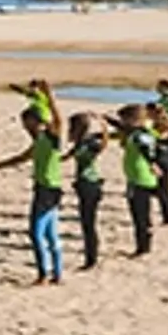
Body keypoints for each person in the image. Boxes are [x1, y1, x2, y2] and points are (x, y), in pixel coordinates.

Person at [0, 93, 66, 285]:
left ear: (38, 122)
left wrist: (49, 95)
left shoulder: (51, 138)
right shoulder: (38, 142)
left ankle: (44, 274)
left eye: (28, 124)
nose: (26, 128)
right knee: (51, 234)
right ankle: (57, 273)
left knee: (36, 233)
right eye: (24, 124)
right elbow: (20, 158)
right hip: (47, 190)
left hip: (47, 191)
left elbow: (59, 121)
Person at [105, 105, 161, 258]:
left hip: (138, 178)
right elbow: (121, 126)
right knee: (143, 214)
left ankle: (142, 248)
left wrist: (153, 163)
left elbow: (146, 149)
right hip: (140, 177)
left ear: (133, 120)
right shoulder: (142, 131)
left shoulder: (139, 135)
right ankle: (145, 245)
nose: (123, 122)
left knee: (139, 215)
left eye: (125, 119)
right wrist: (107, 119)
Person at [68, 112, 107, 270]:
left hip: (90, 185)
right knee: (86, 223)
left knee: (88, 223)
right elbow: (68, 155)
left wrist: (102, 124)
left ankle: (91, 259)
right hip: (83, 184)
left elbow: (103, 145)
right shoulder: (80, 143)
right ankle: (91, 256)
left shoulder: (89, 142)